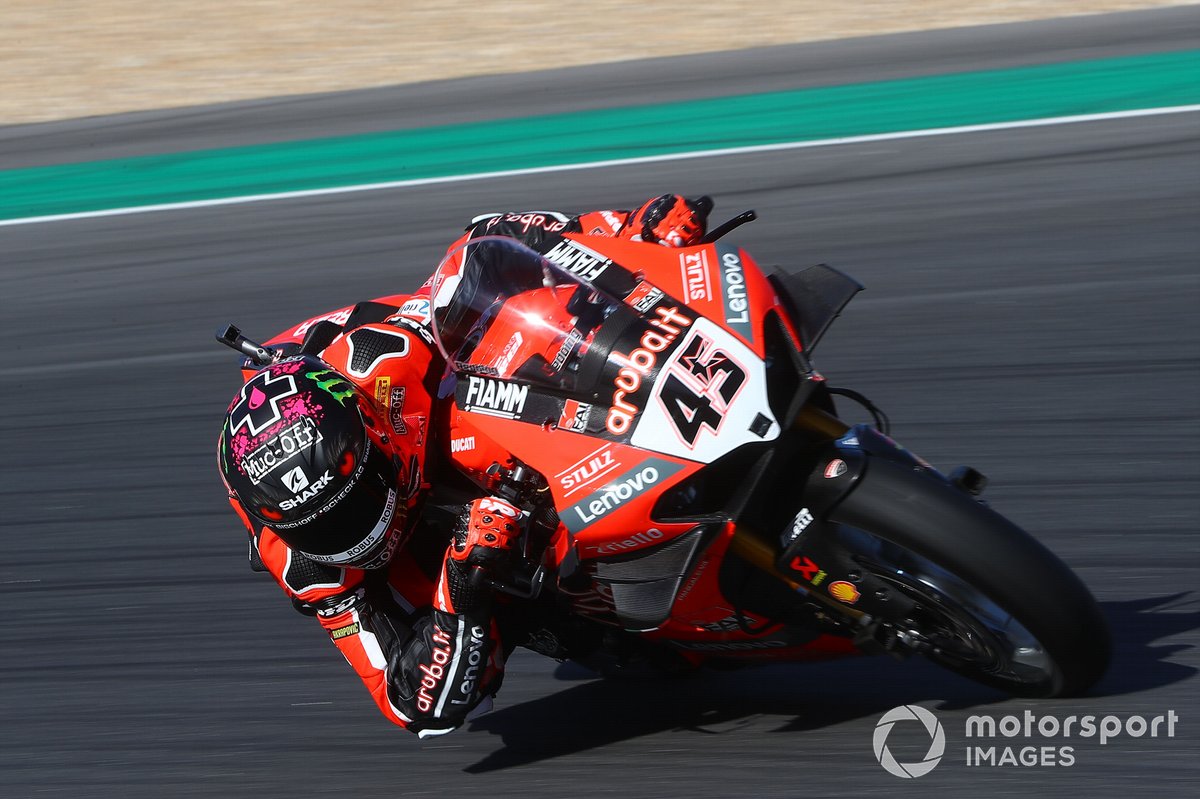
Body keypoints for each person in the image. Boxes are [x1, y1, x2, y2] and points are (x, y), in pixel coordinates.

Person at [217, 194, 712, 737]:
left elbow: (481, 247)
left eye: (353, 506)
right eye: (322, 528)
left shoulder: (389, 359)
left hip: (429, 404)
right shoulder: (304, 562)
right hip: (437, 544)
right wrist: (464, 582)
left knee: (542, 340)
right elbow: (409, 706)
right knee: (507, 624)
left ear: (375, 433)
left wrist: (627, 229)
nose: (351, 534)